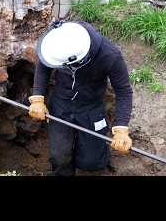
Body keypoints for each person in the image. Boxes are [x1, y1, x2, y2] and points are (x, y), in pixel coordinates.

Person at [29, 20, 133, 176]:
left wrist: (121, 128)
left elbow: (123, 91)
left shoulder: (109, 55)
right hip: (61, 105)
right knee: (60, 156)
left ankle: (93, 165)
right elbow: (43, 66)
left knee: (92, 161)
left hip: (91, 108)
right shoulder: (57, 41)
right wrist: (37, 98)